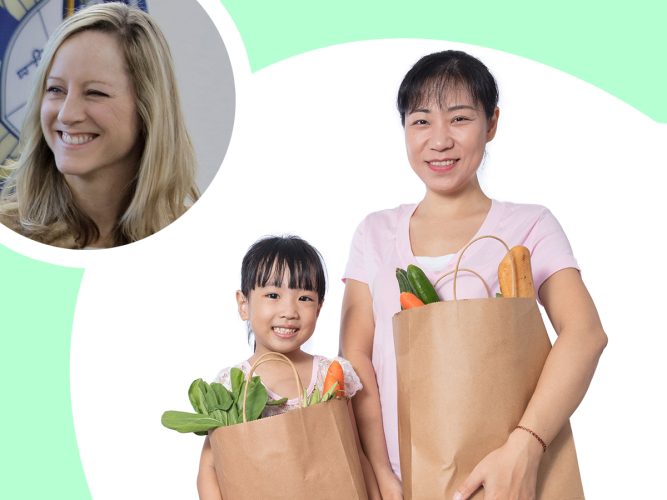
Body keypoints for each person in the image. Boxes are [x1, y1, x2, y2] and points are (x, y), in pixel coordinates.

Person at [340, 50, 608, 499]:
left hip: (507, 476)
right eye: (421, 121)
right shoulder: (375, 233)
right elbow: (356, 360)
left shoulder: (529, 226)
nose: (439, 140)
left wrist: (526, 445)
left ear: (492, 123)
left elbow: (585, 334)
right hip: (403, 485)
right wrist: (381, 473)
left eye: (459, 119)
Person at [0, 2, 198, 248]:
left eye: (95, 92)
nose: (67, 114)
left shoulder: (200, 238)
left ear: (148, 107)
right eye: (55, 89)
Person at [197, 235, 380, 500]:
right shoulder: (233, 384)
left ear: (319, 309)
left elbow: (354, 452)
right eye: (273, 295)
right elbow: (210, 467)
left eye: (305, 298)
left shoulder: (330, 374)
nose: (289, 311)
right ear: (244, 304)